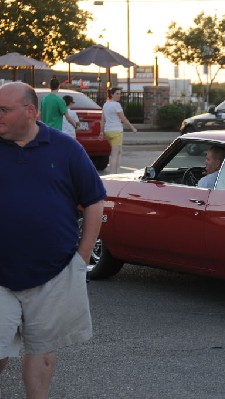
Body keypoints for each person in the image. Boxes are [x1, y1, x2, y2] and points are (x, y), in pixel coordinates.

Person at [0, 82, 106, 398]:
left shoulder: (65, 149)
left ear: (30, 112)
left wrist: (82, 258)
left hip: (53, 272)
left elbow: (95, 201)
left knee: (41, 349)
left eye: (4, 110)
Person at [101, 87, 137, 174]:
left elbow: (102, 120)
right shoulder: (116, 105)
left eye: (120, 94)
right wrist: (132, 128)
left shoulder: (106, 104)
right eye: (117, 94)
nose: (119, 95)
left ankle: (117, 171)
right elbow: (123, 119)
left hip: (108, 131)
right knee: (115, 154)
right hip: (116, 131)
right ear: (112, 94)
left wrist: (101, 132)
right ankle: (113, 174)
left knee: (119, 151)